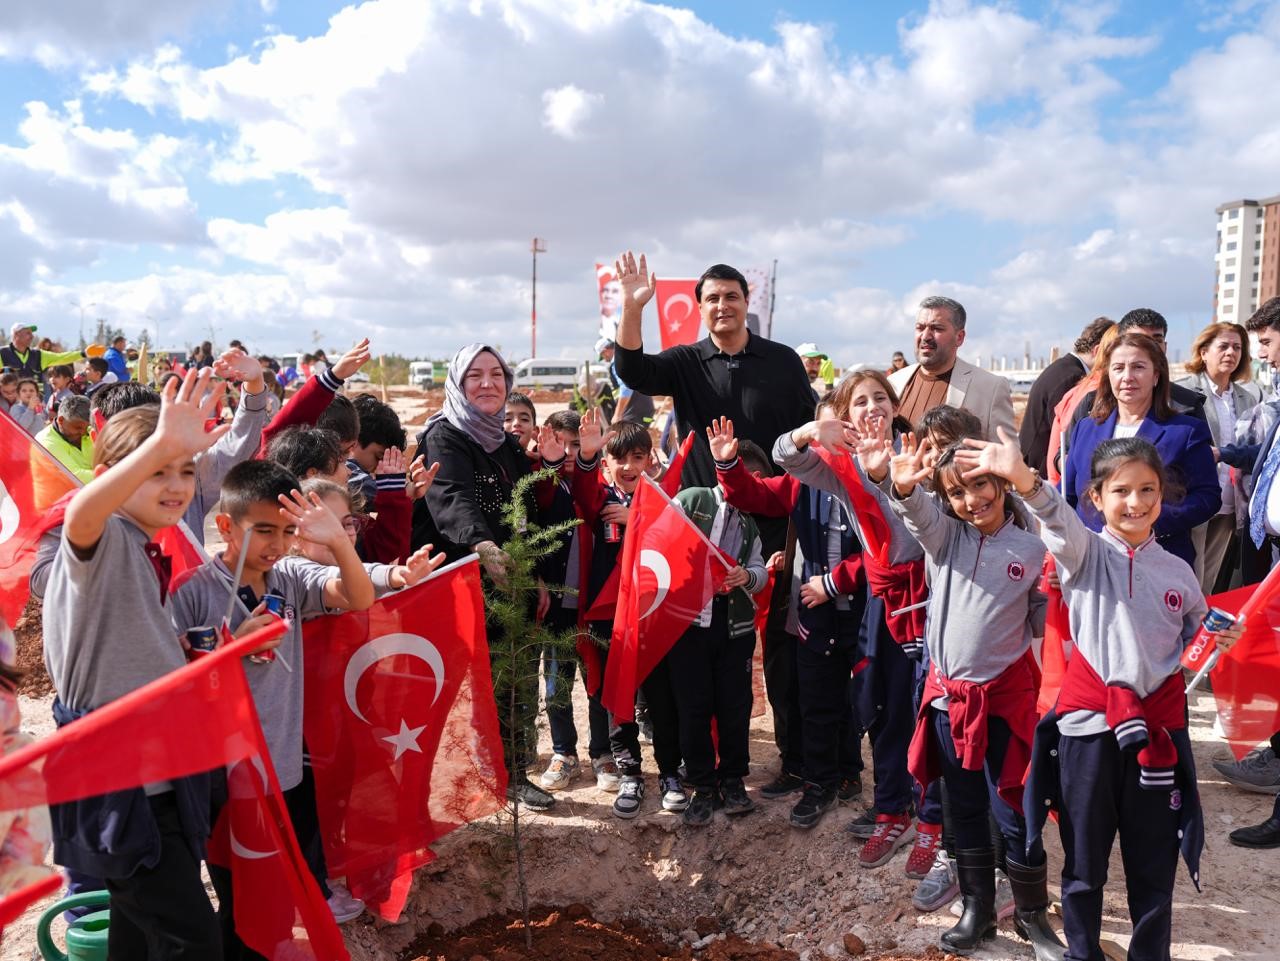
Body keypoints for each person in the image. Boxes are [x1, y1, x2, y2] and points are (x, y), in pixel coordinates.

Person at [959, 430, 1242, 961]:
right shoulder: (1084, 554)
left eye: (1148, 491)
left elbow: (1194, 652)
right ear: (1096, 498)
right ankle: (1082, 953)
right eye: (1121, 491)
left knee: (1153, 864)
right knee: (1084, 864)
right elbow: (1055, 520)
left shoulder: (1178, 572)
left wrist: (1216, 641)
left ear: (1163, 496)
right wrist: (1023, 478)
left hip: (1156, 738)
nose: (1134, 503)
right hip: (1088, 736)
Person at [43, 372, 240, 960]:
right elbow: (81, 514)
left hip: (158, 772)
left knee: (139, 935)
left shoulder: (143, 546)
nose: (177, 485)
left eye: (185, 470)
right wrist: (159, 444)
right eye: (157, 471)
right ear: (110, 480)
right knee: (192, 940)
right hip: (118, 780)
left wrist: (187, 653)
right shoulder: (103, 542)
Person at [611, 251, 814, 793]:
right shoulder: (685, 362)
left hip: (773, 517)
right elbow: (631, 370)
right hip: (703, 524)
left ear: (749, 303)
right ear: (699, 309)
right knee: (700, 648)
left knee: (778, 645)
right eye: (712, 299)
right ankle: (703, 770)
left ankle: (793, 760)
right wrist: (633, 309)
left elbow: (805, 435)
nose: (723, 306)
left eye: (732, 296)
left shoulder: (783, 360)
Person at [169, 459, 378, 939]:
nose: (277, 545)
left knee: (277, 895)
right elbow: (169, 685)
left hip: (280, 769)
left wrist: (338, 541)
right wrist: (230, 645)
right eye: (263, 530)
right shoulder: (192, 591)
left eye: (287, 532)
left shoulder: (289, 580)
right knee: (237, 896)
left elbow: (359, 596)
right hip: (219, 776)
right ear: (225, 526)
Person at [881, 429, 1058, 957]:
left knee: (1015, 808)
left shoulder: (1032, 550)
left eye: (981, 485)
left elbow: (1043, 624)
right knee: (962, 807)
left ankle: (1033, 916)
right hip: (947, 702)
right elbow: (917, 514)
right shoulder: (946, 538)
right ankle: (978, 908)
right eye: (957, 492)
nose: (971, 499)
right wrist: (906, 490)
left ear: (1002, 483)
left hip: (1003, 703)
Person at [409, 344, 555, 811]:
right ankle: (451, 785)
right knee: (461, 687)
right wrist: (481, 544)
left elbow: (525, 512)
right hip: (458, 580)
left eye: (496, 374)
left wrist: (535, 575)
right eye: (475, 375)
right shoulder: (443, 437)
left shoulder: (507, 445)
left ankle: (511, 775)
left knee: (511, 681)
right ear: (458, 382)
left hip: (510, 583)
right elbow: (450, 497)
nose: (488, 383)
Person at [713, 407, 867, 830]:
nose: (831, 438)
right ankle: (820, 783)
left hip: (864, 609)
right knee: (817, 698)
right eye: (823, 430)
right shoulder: (803, 481)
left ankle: (854, 774)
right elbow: (752, 494)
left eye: (840, 427)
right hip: (814, 611)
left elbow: (883, 553)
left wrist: (835, 582)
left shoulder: (873, 478)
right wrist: (727, 463)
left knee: (866, 702)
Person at [567, 410, 684, 817]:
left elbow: (677, 535)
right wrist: (585, 455)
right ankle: (629, 771)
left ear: (650, 460)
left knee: (661, 695)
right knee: (615, 695)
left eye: (638, 457)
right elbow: (580, 495)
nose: (630, 466)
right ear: (608, 463)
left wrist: (637, 518)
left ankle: (670, 771)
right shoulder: (599, 498)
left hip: (651, 613)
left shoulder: (662, 498)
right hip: (606, 614)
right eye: (620, 459)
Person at [670, 440, 770, 827]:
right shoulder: (693, 501)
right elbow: (662, 539)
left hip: (735, 627)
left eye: (757, 484)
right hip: (690, 627)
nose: (751, 490)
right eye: (747, 480)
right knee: (694, 708)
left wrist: (746, 576)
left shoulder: (751, 524)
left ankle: (732, 779)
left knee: (734, 706)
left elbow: (759, 571)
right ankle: (701, 785)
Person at [1063, 332, 1220, 568]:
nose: (1127, 377)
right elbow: (1067, 495)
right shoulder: (1085, 428)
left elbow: (1207, 497)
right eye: (1118, 368)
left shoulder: (1186, 431)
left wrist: (1146, 521)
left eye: (1138, 367)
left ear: (1156, 375)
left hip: (1157, 558)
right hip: (1090, 559)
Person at [532, 410, 614, 794]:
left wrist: (588, 460)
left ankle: (603, 752)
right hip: (557, 609)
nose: (567, 451)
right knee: (556, 683)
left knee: (596, 682)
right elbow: (548, 495)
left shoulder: (595, 487)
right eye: (559, 444)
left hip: (593, 605)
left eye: (576, 445)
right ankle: (564, 752)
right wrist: (548, 464)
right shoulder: (543, 487)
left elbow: (587, 493)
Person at [1175, 322, 1260, 593]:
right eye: (1223, 346)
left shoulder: (1249, 397)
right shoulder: (1181, 391)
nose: (1230, 353)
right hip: (1191, 498)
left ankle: (1203, 635)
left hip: (1230, 502)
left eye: (1237, 347)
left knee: (1208, 583)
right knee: (1187, 578)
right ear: (1203, 352)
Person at [888, 296, 1016, 444]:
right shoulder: (893, 383)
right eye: (920, 328)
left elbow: (1006, 456)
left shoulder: (991, 388)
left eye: (937, 328)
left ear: (959, 337)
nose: (925, 336)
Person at [1067, 309, 1207, 428]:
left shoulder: (1187, 404)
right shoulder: (1092, 404)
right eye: (1140, 340)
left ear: (1165, 346)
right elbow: (1066, 452)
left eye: (1157, 340)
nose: (1151, 347)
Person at [1019, 317, 1114, 476]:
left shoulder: (1063, 368)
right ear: (1098, 351)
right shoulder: (1073, 377)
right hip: (1043, 468)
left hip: (1035, 462)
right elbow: (1065, 427)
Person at [36, 395, 94, 482]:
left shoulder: (89, 431)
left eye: (87, 427)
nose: (83, 433)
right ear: (61, 420)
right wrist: (113, 473)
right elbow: (75, 476)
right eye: (77, 428)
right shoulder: (45, 442)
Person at [0, 323, 83, 382]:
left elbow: (62, 357)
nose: (32, 336)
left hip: (36, 404)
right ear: (16, 334)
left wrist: (84, 353)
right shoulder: (2, 354)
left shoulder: (39, 355)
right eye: (28, 333)